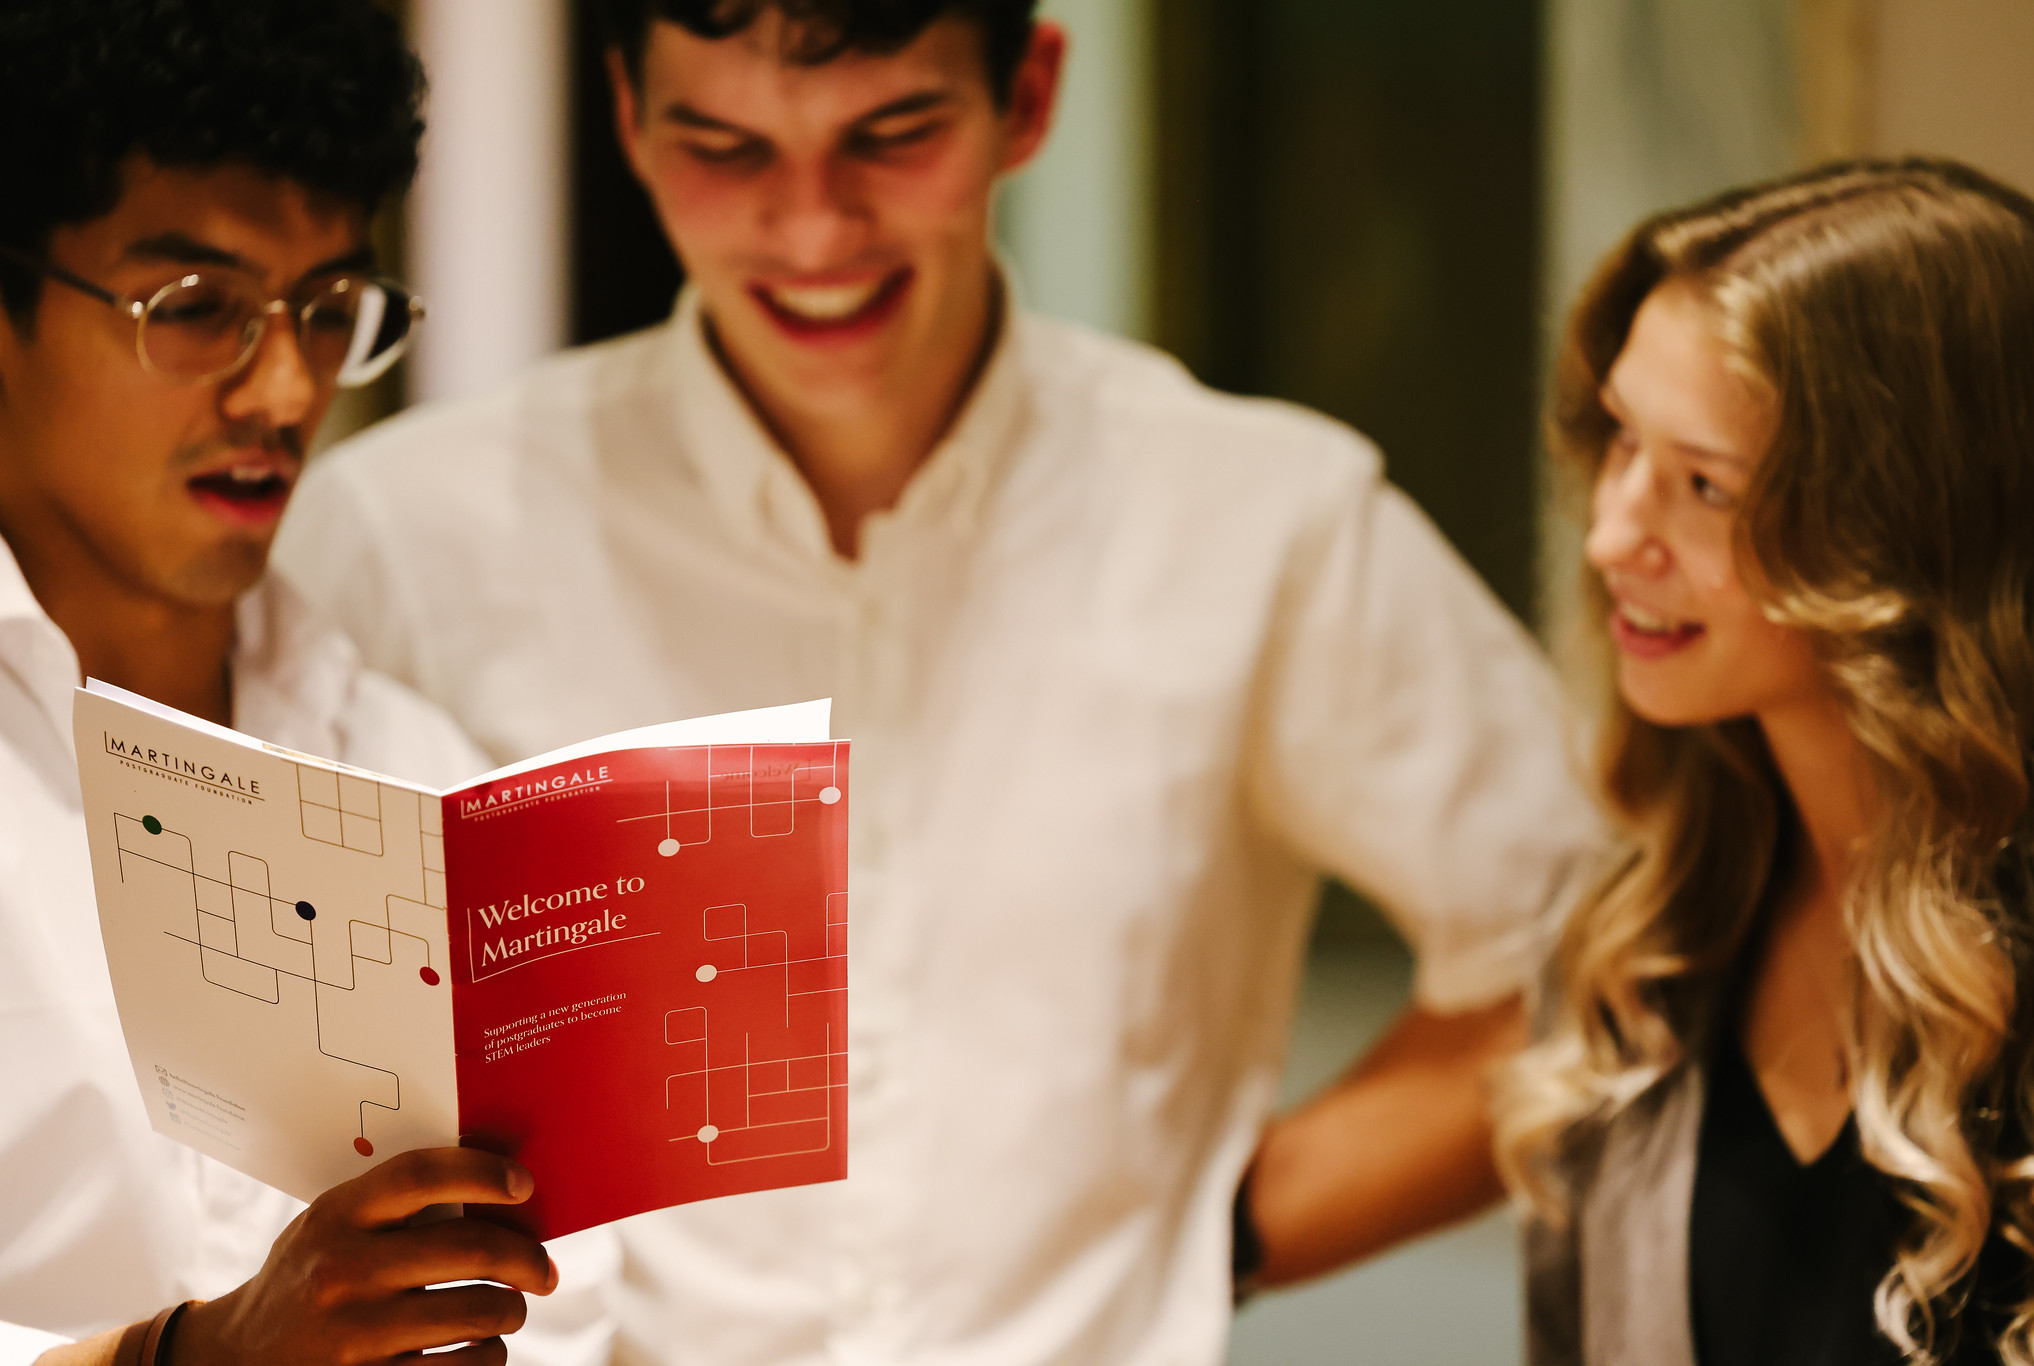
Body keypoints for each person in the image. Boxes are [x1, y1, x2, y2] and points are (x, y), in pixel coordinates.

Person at [275, 0, 1605, 1360]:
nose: (811, 230)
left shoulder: (1263, 519)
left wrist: (1214, 1240)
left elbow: (1605, 946)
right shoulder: (408, 531)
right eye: (725, 148)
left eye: (893, 135)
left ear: (1026, 97)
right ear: (627, 117)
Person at [0, 3, 562, 1362]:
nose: (286, 389)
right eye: (197, 309)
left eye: (326, 310)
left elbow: (571, 1299)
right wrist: (195, 1355)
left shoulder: (417, 773)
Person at [1494, 158, 2034, 1365]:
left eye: (1703, 485)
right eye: (1619, 439)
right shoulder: (1631, 948)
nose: (1609, 534)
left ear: (1902, 529)